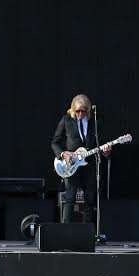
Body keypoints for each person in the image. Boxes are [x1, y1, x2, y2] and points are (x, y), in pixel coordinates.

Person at [51, 94, 110, 223]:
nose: (80, 114)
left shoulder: (94, 122)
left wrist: (106, 152)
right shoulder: (66, 120)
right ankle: (65, 231)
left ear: (88, 110)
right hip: (71, 164)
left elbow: (100, 143)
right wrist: (63, 154)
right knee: (70, 198)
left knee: (89, 199)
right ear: (73, 110)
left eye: (83, 111)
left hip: (89, 165)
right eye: (77, 111)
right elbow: (55, 142)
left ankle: (87, 232)